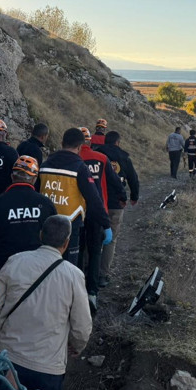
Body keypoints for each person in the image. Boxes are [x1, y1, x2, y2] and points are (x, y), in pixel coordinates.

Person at [0, 215, 93, 390]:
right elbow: (82, 327)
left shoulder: (15, 261)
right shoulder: (74, 276)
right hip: (47, 370)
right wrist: (77, 347)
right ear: (66, 243)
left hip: (7, 360)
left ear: (41, 236)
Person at [39, 128, 112, 266]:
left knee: (44, 264)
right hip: (69, 227)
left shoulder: (44, 165)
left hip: (46, 224)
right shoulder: (80, 168)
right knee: (68, 266)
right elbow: (94, 199)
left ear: (62, 143)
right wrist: (106, 224)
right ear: (79, 147)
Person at [0, 156, 57, 275]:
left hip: (5, 269)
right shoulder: (46, 204)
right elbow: (55, 240)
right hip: (39, 270)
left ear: (12, 177)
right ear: (34, 179)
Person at [78, 127, 125, 309]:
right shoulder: (100, 158)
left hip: (76, 213)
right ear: (89, 141)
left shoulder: (72, 159)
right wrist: (122, 197)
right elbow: (115, 180)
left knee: (79, 250)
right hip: (98, 211)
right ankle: (92, 291)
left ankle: (77, 286)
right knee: (95, 251)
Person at [95, 130, 140, 288]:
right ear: (118, 142)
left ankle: (87, 270)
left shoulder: (97, 155)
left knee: (92, 237)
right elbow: (133, 178)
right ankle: (102, 275)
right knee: (111, 240)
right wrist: (134, 196)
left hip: (96, 202)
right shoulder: (124, 157)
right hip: (116, 204)